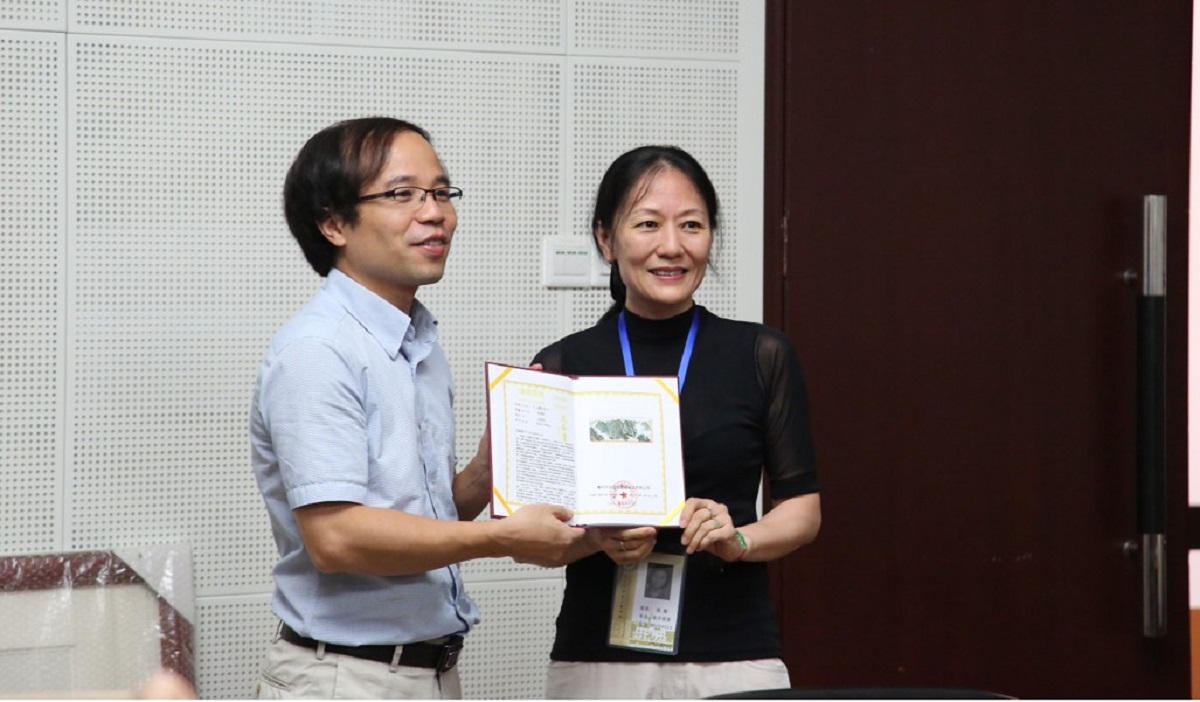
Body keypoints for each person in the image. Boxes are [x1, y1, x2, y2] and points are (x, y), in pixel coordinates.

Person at [250, 117, 584, 700]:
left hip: (427, 672)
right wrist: (502, 539)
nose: (435, 213)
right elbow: (336, 537)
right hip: (346, 679)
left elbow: (416, 512)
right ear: (333, 223)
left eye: (441, 191)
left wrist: (485, 473)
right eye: (403, 194)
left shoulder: (417, 343)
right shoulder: (318, 350)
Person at [534, 145, 822, 699]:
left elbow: (802, 511)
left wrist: (738, 539)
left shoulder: (761, 354)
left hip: (736, 655)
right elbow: (535, 537)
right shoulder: (562, 364)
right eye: (648, 224)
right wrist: (594, 539)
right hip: (597, 660)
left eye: (691, 225)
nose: (672, 245)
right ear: (606, 239)